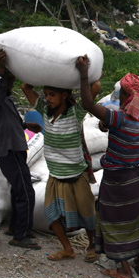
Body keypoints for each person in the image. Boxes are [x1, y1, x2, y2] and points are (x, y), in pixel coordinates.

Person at [76, 55, 139, 278]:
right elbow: (120, 127)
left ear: (127, 96)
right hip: (134, 179)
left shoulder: (119, 118)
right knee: (132, 220)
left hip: (116, 181)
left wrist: (83, 74)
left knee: (113, 220)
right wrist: (108, 124)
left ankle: (124, 270)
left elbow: (87, 104)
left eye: (122, 94)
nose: (118, 97)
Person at [21, 76, 98, 262]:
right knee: (52, 217)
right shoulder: (45, 112)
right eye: (46, 94)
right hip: (55, 176)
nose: (47, 98)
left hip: (76, 176)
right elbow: (25, 86)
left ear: (64, 95)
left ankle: (93, 247)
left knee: (87, 215)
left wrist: (84, 72)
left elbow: (95, 86)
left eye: (52, 95)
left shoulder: (75, 113)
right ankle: (68, 249)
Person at [0, 50, 42, 249]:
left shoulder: (6, 99)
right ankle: (20, 236)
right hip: (9, 151)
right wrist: (1, 69)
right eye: (9, 81)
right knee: (26, 192)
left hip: (16, 149)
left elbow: (7, 121)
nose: (12, 85)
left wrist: (25, 125)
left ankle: (16, 227)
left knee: (18, 191)